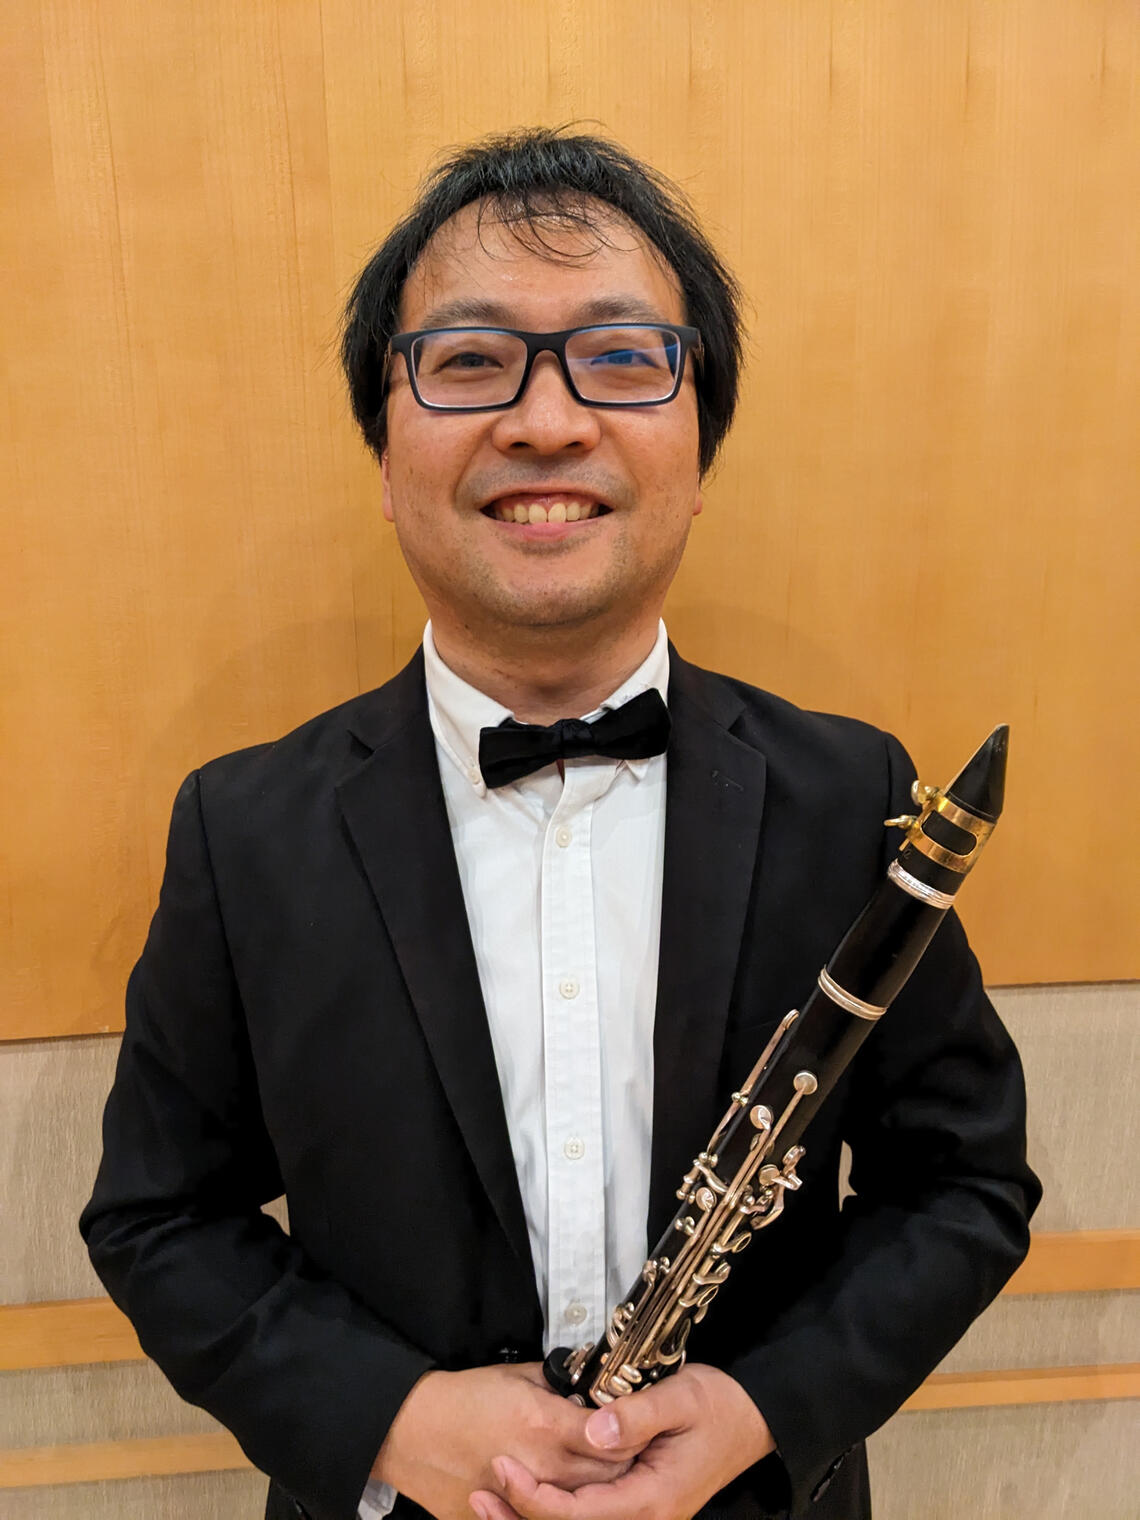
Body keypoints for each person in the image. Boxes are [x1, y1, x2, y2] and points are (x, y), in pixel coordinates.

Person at [81, 129, 1039, 1520]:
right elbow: (159, 1218)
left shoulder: (851, 796)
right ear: (384, 450)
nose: (545, 422)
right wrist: (392, 1421)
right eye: (471, 361)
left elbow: (963, 1183)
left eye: (621, 358)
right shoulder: (244, 830)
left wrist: (763, 1409)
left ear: (700, 449)